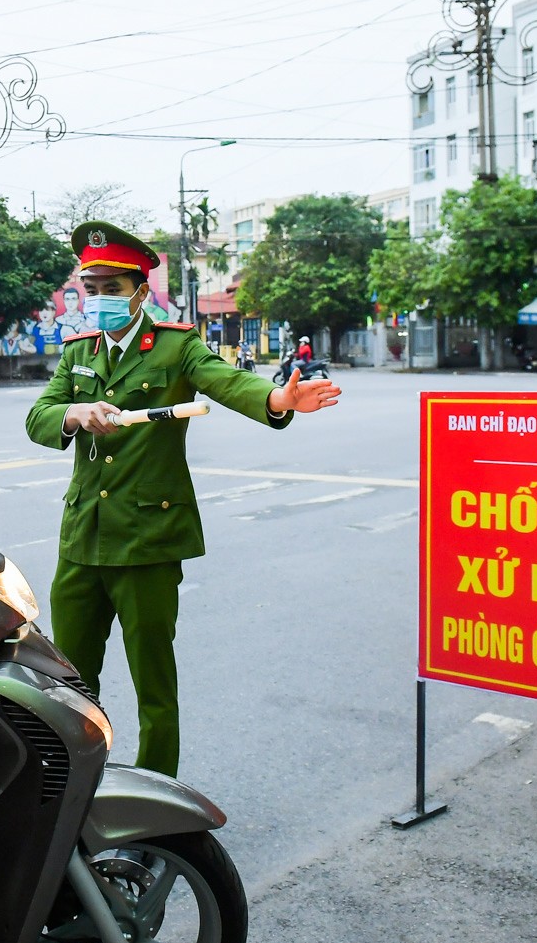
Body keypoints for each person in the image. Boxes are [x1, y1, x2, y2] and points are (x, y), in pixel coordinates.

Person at [25, 222, 340, 776]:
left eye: (112, 288)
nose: (99, 299)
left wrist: (277, 397)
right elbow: (39, 416)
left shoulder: (174, 347)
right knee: (67, 681)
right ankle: (73, 788)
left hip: (147, 542)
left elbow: (226, 382)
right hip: (82, 542)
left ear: (141, 291)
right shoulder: (78, 353)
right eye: (90, 288)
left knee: (154, 685)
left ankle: (156, 796)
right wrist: (73, 413)